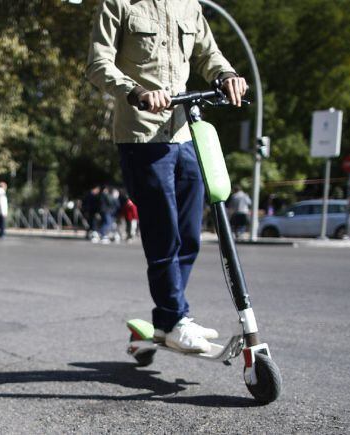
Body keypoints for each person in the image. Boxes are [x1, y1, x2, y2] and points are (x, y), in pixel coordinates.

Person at [87, 0, 248, 352]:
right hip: (141, 137)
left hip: (185, 135)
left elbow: (209, 55)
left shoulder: (189, 6)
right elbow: (98, 64)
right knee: (164, 236)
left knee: (189, 236)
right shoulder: (119, 4)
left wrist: (227, 75)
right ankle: (175, 318)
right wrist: (137, 92)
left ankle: (166, 320)